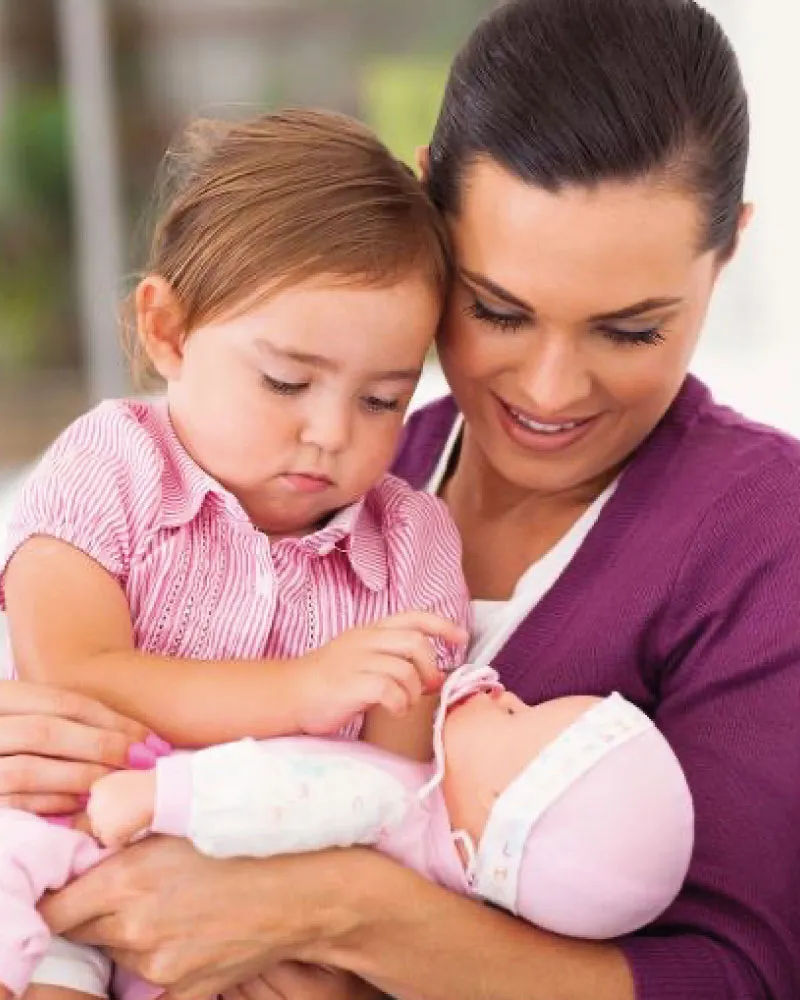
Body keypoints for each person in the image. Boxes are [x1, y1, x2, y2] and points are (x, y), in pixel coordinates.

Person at [2, 0, 800, 997]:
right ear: (430, 215)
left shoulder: (761, 536)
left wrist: (344, 916)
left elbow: (737, 975)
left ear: (727, 251)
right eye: (496, 309)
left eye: (630, 330)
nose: (549, 389)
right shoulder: (356, 473)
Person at [0, 109, 470, 1000]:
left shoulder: (413, 545)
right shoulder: (108, 464)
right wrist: (300, 691)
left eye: (382, 399)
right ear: (168, 330)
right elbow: (76, 680)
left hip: (278, 916)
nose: (330, 432)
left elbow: (402, 791)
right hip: (64, 871)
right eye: (287, 381)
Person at [84, 663, 692, 940]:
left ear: (500, 804)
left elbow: (274, 795)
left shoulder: (384, 800)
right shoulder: (446, 901)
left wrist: (160, 794)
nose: (506, 692)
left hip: (142, 888)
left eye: (515, 714)